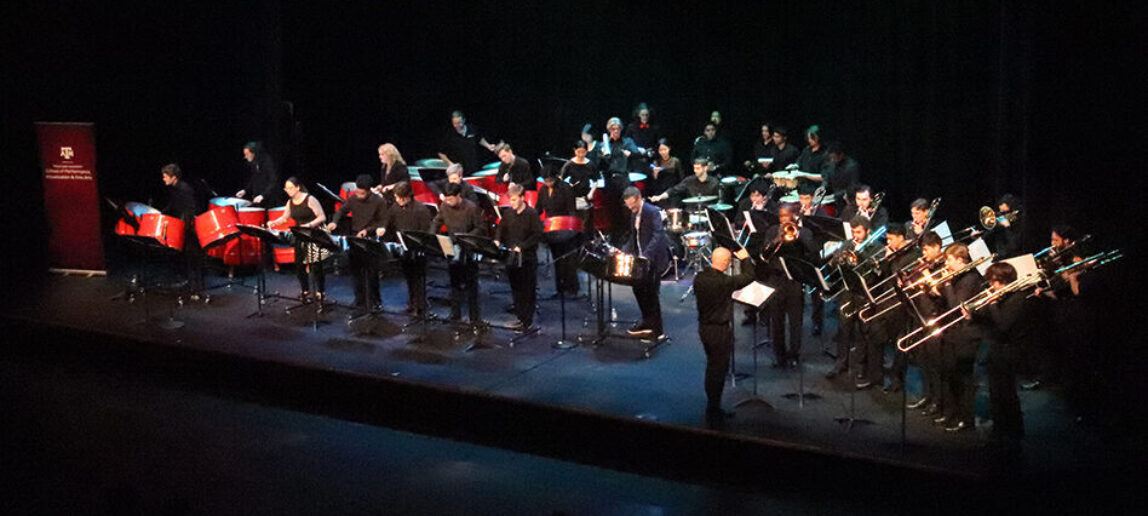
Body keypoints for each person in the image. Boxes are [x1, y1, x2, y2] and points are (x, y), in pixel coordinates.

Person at [693, 246, 756, 424]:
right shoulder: (724, 282)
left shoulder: (700, 278)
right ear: (727, 263)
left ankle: (713, 406)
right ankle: (713, 409)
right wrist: (745, 259)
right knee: (718, 370)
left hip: (704, 328)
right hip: (719, 331)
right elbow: (749, 277)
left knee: (712, 367)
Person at [972, 262, 1030, 453]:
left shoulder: (1018, 298)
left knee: (1007, 396)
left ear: (1003, 280)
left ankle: (1014, 434)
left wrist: (993, 303)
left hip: (1009, 352)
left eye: (994, 282)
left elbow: (1004, 325)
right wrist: (973, 316)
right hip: (995, 351)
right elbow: (990, 322)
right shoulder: (1003, 296)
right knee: (996, 395)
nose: (991, 286)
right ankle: (999, 432)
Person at [934, 242, 984, 432]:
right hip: (953, 332)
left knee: (964, 379)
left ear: (960, 260)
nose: (946, 264)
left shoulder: (970, 279)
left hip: (966, 335)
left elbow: (956, 306)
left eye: (949, 260)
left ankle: (966, 419)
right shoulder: (958, 277)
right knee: (950, 375)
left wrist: (946, 283)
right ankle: (952, 413)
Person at [762, 205, 817, 368]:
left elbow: (813, 254)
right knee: (776, 321)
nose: (783, 220)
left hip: (795, 281)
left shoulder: (805, 232)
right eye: (781, 217)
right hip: (776, 280)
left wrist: (798, 237)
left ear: (794, 216)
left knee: (795, 321)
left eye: (786, 217)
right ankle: (779, 355)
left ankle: (795, 354)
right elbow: (764, 255)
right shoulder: (772, 231)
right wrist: (776, 241)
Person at [327, 174, 388, 310]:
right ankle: (359, 300)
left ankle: (375, 301)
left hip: (371, 238)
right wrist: (334, 222)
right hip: (355, 237)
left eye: (362, 193)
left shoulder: (379, 201)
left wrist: (368, 230)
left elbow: (383, 221)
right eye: (357, 192)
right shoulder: (353, 198)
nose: (359, 195)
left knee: (372, 272)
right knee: (356, 271)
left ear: (369, 190)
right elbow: (341, 210)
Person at [431, 182, 487, 324]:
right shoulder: (444, 207)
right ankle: (455, 314)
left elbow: (481, 228)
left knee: (471, 285)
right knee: (454, 282)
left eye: (451, 199)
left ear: (458, 196)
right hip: (453, 246)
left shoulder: (471, 208)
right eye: (447, 199)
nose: (448, 202)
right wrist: (431, 236)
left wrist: (466, 238)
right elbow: (437, 222)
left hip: (468, 247)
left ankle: (475, 317)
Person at [377, 181, 434, 317]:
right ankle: (412, 303)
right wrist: (383, 227)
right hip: (404, 248)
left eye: (401, 198)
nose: (398, 201)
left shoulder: (421, 210)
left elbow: (426, 231)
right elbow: (388, 220)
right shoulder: (395, 207)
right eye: (397, 198)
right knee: (408, 277)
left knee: (418, 278)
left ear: (409, 196)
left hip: (418, 249)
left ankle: (420, 306)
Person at [622, 187, 672, 338]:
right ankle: (646, 320)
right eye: (628, 206)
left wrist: (646, 255)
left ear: (638, 198)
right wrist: (626, 250)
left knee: (651, 294)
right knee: (638, 288)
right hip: (640, 258)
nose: (631, 209)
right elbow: (634, 235)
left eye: (633, 206)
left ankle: (657, 330)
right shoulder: (633, 213)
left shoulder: (652, 211)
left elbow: (658, 235)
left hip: (654, 259)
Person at [269, 177, 329, 301]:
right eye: (286, 188)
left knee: (315, 265)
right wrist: (274, 223)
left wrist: (309, 225)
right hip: (300, 234)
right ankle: (305, 289)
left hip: (314, 234)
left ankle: (320, 290)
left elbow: (322, 217)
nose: (288, 190)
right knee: (299, 264)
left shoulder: (309, 199)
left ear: (298, 187)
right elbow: (285, 217)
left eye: (291, 188)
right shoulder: (290, 202)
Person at [495, 184, 544, 331]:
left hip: (527, 257)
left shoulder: (532, 214)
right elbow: (500, 228)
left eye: (515, 200)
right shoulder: (509, 213)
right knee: (516, 288)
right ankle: (520, 317)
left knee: (527, 289)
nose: (512, 203)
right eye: (511, 200)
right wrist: (497, 239)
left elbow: (537, 234)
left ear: (522, 198)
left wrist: (522, 246)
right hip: (512, 256)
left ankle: (527, 320)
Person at [160, 163, 203, 294]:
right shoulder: (175, 189)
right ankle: (190, 282)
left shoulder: (184, 189)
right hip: (183, 224)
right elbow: (172, 206)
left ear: (174, 177)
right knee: (187, 255)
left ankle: (196, 285)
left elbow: (190, 208)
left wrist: (185, 225)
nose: (164, 179)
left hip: (189, 226)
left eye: (165, 176)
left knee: (192, 255)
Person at [537, 169, 579, 297]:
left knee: (567, 259)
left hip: (566, 227)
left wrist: (572, 229)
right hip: (552, 229)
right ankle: (560, 289)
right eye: (545, 181)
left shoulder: (565, 189)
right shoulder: (543, 190)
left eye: (550, 180)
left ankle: (572, 288)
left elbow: (572, 210)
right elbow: (538, 208)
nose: (548, 183)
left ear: (555, 178)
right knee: (557, 260)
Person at [601, 117, 642, 239]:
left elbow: (638, 154)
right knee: (612, 209)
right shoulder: (605, 144)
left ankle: (630, 234)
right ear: (609, 130)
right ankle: (614, 236)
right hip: (610, 180)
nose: (616, 131)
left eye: (618, 129)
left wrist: (631, 154)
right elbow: (599, 163)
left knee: (627, 208)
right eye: (613, 129)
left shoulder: (627, 142)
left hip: (623, 178)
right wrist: (603, 155)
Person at [559, 140, 600, 237]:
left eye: (583, 152)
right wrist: (568, 186)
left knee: (585, 223)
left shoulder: (590, 164)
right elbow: (561, 179)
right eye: (579, 152)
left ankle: (585, 241)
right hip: (572, 197)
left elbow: (595, 181)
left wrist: (591, 193)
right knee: (574, 221)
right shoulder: (569, 164)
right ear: (574, 151)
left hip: (585, 196)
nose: (581, 155)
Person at [648, 158, 721, 206]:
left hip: (709, 214)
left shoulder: (714, 182)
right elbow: (673, 190)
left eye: (698, 168)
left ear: (705, 168)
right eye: (694, 168)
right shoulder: (689, 180)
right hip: (691, 213)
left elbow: (719, 202)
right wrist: (660, 197)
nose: (695, 170)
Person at [818, 141, 860, 211]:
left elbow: (852, 187)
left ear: (841, 155)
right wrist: (820, 192)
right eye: (831, 158)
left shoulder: (852, 166)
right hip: (835, 201)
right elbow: (826, 180)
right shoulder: (832, 164)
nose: (832, 160)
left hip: (848, 201)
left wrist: (834, 196)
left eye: (834, 158)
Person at [236, 141, 280, 207]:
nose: (245, 157)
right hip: (258, 199)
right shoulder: (254, 164)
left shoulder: (268, 162)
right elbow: (254, 179)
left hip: (270, 201)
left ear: (254, 153)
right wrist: (245, 190)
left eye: (247, 154)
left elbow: (273, 182)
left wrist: (263, 195)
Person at [986, 193, 1022, 259]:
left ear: (1009, 205)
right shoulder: (1000, 216)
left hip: (1010, 256)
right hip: (997, 254)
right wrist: (977, 237)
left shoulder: (1017, 219)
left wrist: (1007, 227)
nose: (999, 206)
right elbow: (990, 234)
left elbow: (1014, 245)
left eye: (1002, 204)